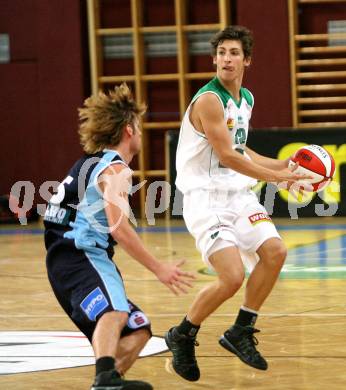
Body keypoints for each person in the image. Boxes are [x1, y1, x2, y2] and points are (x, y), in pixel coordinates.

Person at [164, 25, 311, 381]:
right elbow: (227, 156)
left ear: (247, 60)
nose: (226, 59)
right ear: (214, 59)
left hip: (237, 194)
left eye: (234, 53)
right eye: (222, 53)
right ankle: (183, 333)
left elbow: (241, 149)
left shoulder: (246, 98)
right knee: (231, 277)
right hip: (206, 199)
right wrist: (277, 179)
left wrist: (283, 165)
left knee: (275, 252)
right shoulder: (209, 100)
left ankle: (240, 330)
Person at [43, 83, 195, 390]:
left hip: (65, 260)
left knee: (138, 328)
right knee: (115, 311)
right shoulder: (115, 170)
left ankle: (109, 382)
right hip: (81, 255)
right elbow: (119, 227)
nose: (140, 132)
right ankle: (105, 381)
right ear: (129, 130)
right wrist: (159, 268)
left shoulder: (87, 164)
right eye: (138, 127)